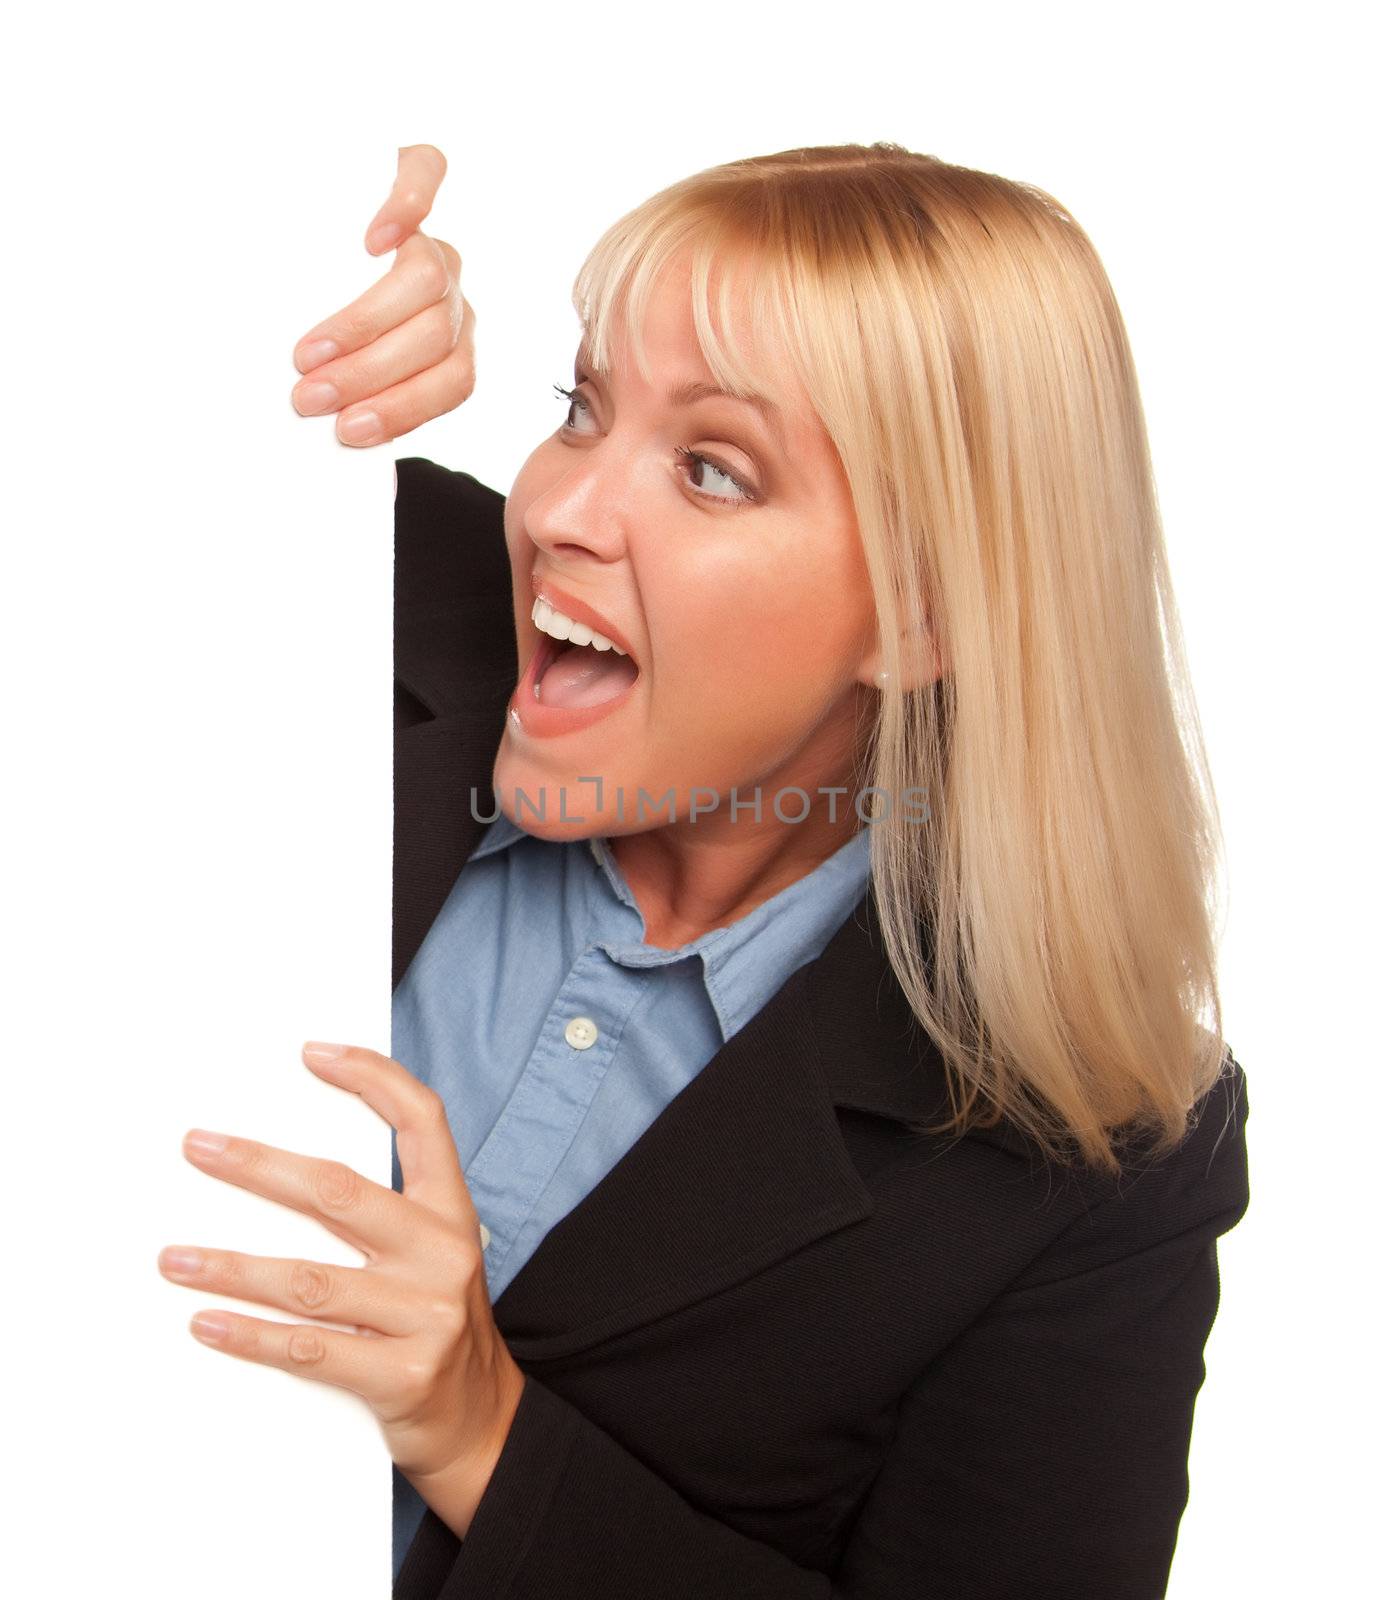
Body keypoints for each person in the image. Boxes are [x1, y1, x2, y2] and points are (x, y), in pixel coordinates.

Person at [163, 142, 1252, 1599]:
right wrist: (240, 322)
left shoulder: (1093, 1154)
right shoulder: (326, 577)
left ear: (924, 616)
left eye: (711, 471)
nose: (557, 511)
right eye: (580, 410)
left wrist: (483, 1435)